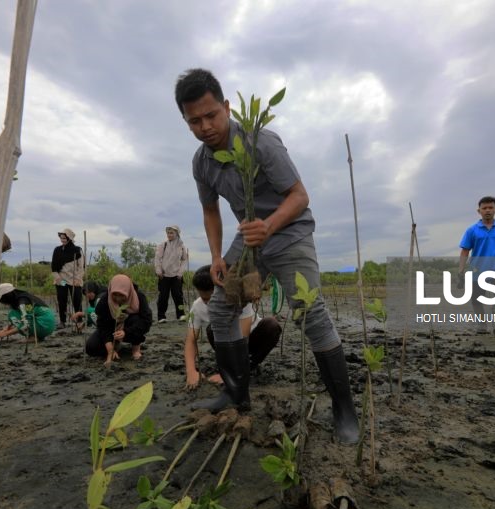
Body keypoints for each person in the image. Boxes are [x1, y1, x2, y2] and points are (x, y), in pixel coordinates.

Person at [175, 68, 359, 444]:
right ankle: (236, 392)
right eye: (194, 121)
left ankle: (345, 412)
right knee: (223, 307)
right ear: (186, 121)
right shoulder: (202, 163)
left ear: (227, 107)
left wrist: (270, 225)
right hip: (249, 238)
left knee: (311, 311)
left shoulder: (261, 143)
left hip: (288, 231)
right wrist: (216, 256)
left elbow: (299, 195)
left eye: (211, 115)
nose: (205, 126)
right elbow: (210, 210)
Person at [184, 265, 281, 390]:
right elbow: (191, 340)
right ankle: (232, 365)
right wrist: (191, 371)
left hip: (250, 339)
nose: (209, 304)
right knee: (211, 329)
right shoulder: (197, 306)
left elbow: (243, 338)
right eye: (204, 299)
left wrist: (230, 375)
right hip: (226, 343)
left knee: (272, 325)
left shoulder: (239, 300)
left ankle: (249, 366)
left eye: (212, 299)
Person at [458, 196, 495, 338]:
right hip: (478, 268)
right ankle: (481, 325)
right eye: (484, 208)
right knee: (477, 298)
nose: (488, 210)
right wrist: (460, 270)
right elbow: (465, 250)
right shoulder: (472, 230)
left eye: (491, 208)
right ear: (479, 211)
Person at [85, 275, 152, 366]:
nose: (118, 298)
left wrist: (125, 332)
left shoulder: (139, 297)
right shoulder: (105, 300)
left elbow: (146, 321)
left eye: (121, 295)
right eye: (115, 294)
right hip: (111, 329)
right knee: (91, 347)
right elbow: (102, 325)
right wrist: (110, 350)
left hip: (130, 328)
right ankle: (115, 348)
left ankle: (135, 349)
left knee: (136, 319)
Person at [154, 225, 189, 323]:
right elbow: (157, 259)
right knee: (163, 297)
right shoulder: (163, 245)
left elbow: (184, 259)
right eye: (168, 233)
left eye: (171, 233)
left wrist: (180, 272)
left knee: (178, 296)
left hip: (176, 276)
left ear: (177, 234)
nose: (169, 235)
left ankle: (181, 315)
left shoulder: (181, 246)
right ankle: (161, 317)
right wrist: (159, 271)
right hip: (164, 275)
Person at [51, 228, 84, 328]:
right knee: (62, 300)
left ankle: (79, 321)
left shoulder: (77, 250)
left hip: (74, 281)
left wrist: (78, 278)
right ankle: (62, 321)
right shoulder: (57, 250)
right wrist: (58, 278)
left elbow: (81, 266)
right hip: (62, 281)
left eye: (64, 238)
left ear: (69, 238)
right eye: (61, 238)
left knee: (77, 300)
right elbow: (54, 267)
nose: (62, 240)